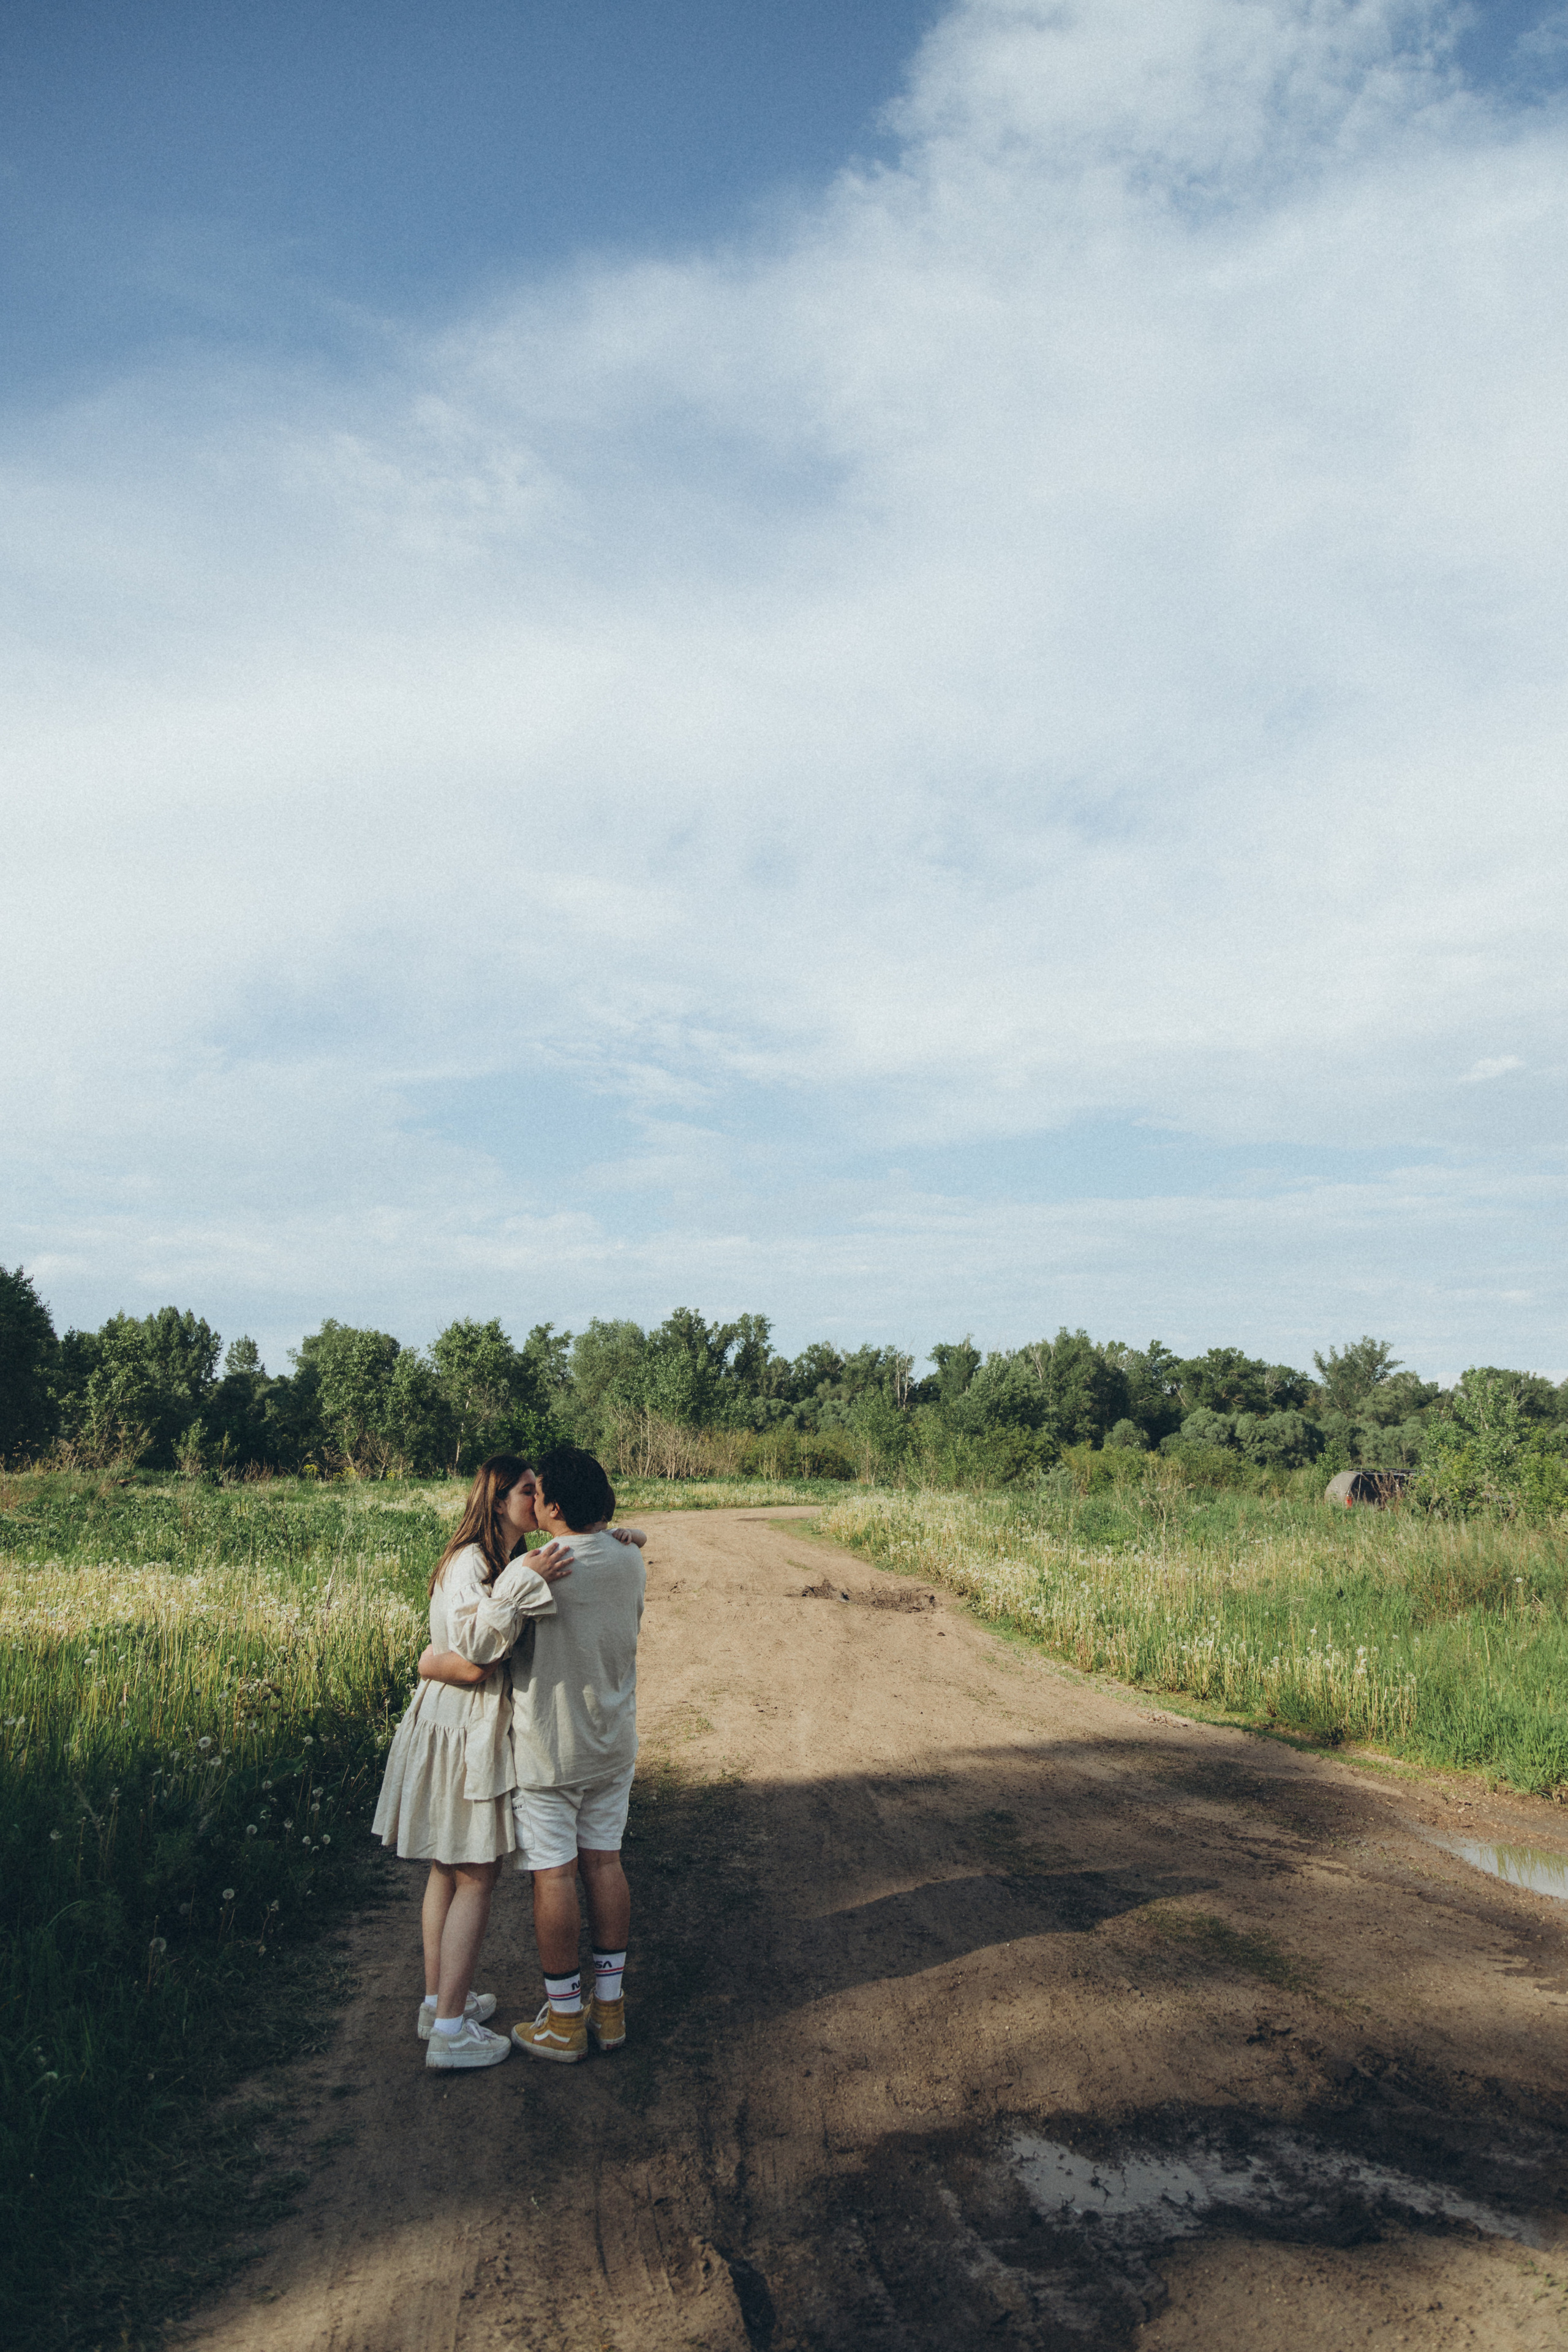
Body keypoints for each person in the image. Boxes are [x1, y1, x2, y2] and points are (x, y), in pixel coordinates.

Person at [418, 1443, 646, 2065]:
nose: (534, 1501)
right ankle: (610, 2008)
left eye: (538, 1493)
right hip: (612, 1743)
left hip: (552, 1747)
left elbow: (475, 1649)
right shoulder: (630, 1560)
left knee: (556, 1875)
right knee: (606, 1864)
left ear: (554, 1506)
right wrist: (623, 1534)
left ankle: (565, 2019)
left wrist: (429, 1661)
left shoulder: (534, 1571)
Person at [371, 1455, 571, 2071]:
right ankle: (450, 2032)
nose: (537, 1499)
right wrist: (437, 1660)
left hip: (461, 1723)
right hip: (460, 1729)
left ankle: (439, 2004)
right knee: (475, 1874)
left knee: (447, 1868)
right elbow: (473, 1659)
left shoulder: (502, 1559)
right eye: (527, 1491)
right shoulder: (473, 1563)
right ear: (498, 1500)